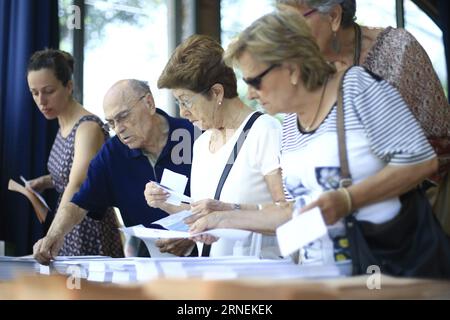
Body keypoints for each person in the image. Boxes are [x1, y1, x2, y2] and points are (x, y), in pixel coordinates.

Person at [189, 10, 450, 278]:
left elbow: (420, 160)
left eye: (255, 81)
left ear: (290, 67)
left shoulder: (357, 87)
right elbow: (295, 211)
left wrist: (347, 199)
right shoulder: (289, 124)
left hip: (386, 271)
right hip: (324, 279)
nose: (251, 93)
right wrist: (222, 219)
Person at [275, 0, 450, 233]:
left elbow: (440, 147)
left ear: (334, 16)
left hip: (411, 226)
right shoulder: (299, 74)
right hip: (336, 233)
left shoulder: (397, 50)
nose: (285, 36)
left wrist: (352, 195)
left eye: (292, 22)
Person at [144, 34, 285, 258]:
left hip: (258, 281)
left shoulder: (264, 131)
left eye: (186, 101)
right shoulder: (201, 145)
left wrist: (231, 212)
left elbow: (289, 212)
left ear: (216, 93)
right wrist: (166, 204)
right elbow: (209, 214)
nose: (182, 112)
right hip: (214, 280)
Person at [33, 79, 196, 265]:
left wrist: (194, 235)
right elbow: (79, 202)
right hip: (149, 264)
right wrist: (54, 235)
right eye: (111, 123)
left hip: (207, 258)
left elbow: (223, 202)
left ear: (149, 103)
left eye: (124, 116)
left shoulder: (193, 135)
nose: (119, 129)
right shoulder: (112, 154)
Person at [27, 49, 123, 258]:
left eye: (48, 91)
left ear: (69, 86)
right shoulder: (62, 123)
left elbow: (78, 183)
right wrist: (43, 182)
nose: (41, 101)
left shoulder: (87, 127)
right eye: (35, 93)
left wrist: (52, 234)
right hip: (67, 224)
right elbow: (69, 172)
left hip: (86, 225)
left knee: (88, 290)